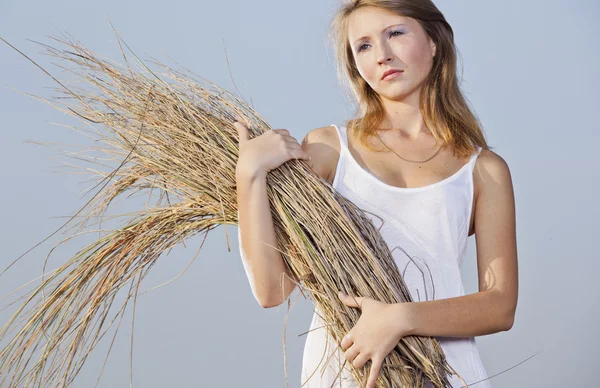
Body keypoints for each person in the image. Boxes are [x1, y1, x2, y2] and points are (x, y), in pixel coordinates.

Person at [234, 0, 518, 387]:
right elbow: (273, 289)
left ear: (434, 41)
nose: (383, 55)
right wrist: (248, 174)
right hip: (349, 367)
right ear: (355, 66)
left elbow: (500, 307)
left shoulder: (483, 170)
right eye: (364, 46)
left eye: (395, 33)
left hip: (443, 371)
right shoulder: (329, 149)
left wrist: (399, 318)